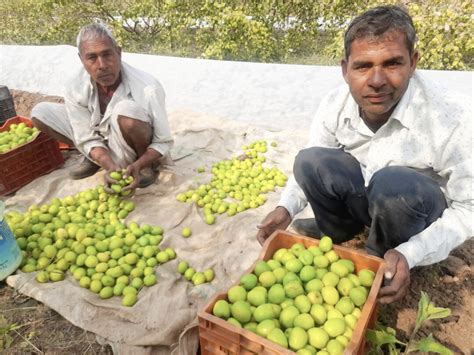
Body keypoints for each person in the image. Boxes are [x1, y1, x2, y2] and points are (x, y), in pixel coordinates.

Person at [256, 5, 472, 304]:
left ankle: (386, 253)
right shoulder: (335, 105)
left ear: (413, 62)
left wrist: (411, 253)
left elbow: (468, 210)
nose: (377, 80)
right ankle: (342, 228)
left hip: (415, 209)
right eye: (363, 66)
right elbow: (312, 162)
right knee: (310, 160)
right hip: (366, 196)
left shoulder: (454, 117)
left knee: (394, 183)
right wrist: (286, 208)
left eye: (392, 63)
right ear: (345, 69)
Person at [31, 23, 173, 190]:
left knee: (126, 110)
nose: (102, 65)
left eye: (107, 54)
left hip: (133, 147)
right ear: (81, 59)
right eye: (92, 57)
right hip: (103, 140)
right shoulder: (75, 86)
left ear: (119, 53)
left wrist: (140, 163)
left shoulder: (148, 87)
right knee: (41, 112)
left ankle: (145, 166)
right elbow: (84, 134)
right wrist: (109, 165)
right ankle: (93, 158)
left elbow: (163, 141)